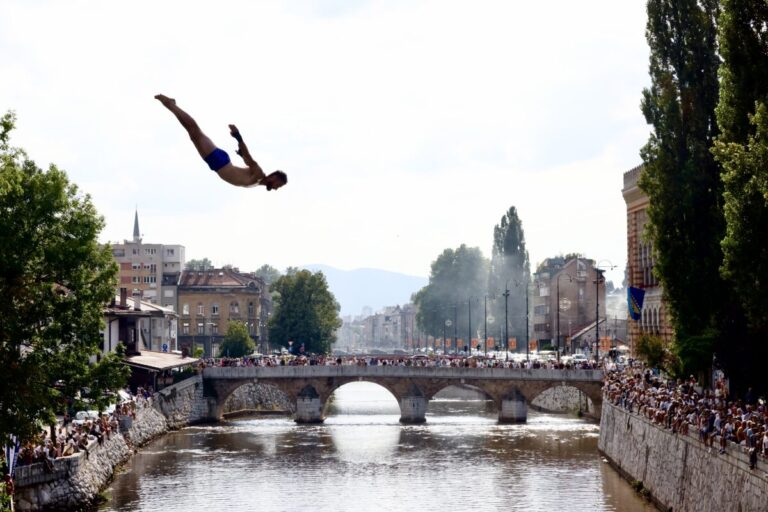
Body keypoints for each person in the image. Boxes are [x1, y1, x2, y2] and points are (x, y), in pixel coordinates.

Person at [155, 94, 287, 190]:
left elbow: (245, 162)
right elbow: (249, 158)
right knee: (194, 131)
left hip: (217, 164)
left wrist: (241, 155)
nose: (276, 188)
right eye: (278, 185)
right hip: (220, 161)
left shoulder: (257, 181)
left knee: (193, 133)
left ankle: (172, 105)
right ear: (274, 177)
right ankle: (170, 104)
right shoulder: (259, 173)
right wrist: (238, 137)